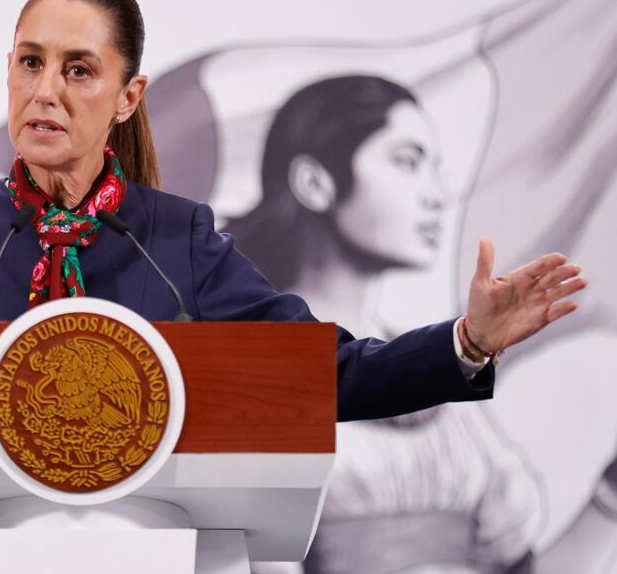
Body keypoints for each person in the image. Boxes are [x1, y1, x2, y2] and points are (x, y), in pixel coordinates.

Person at [0, 0, 586, 472]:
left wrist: (468, 342)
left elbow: (326, 373)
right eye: (29, 62)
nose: (44, 91)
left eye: (78, 70)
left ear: (128, 98)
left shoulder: (182, 240)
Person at [222, 75, 616, 572]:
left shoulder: (443, 385)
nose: (437, 194)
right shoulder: (248, 373)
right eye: (407, 162)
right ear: (315, 182)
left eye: (435, 168)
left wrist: (610, 494)